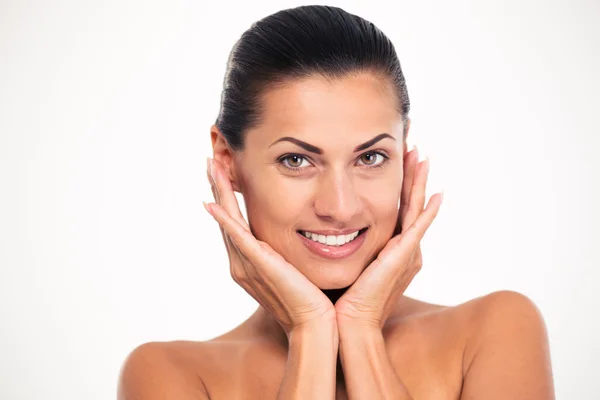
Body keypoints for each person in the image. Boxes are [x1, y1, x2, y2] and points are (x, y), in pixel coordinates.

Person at [117, 5, 555, 399]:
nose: (340, 207)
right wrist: (310, 333)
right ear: (227, 160)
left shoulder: (494, 333)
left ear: (404, 155)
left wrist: (361, 327)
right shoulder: (169, 376)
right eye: (296, 160)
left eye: (370, 157)